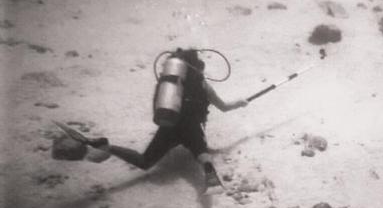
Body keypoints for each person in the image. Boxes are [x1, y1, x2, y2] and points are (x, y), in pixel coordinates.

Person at [64, 48, 248, 191]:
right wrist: (240, 103)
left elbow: (157, 105)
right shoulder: (203, 85)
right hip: (192, 127)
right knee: (201, 151)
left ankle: (106, 145)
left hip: (169, 125)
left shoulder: (168, 82)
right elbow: (224, 107)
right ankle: (208, 167)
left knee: (144, 161)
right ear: (197, 67)